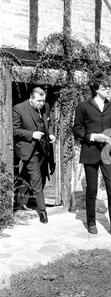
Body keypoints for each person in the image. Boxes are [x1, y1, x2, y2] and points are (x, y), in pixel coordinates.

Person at [72, 72, 111, 239]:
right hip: (90, 152)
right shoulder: (83, 107)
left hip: (107, 152)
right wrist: (93, 137)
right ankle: (92, 222)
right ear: (96, 89)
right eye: (105, 87)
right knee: (92, 190)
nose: (108, 89)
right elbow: (77, 129)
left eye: (109, 86)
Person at [13, 87, 56, 223]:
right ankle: (42, 211)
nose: (41, 104)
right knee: (36, 179)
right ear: (31, 98)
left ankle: (20, 201)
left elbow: (47, 123)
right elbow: (14, 130)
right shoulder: (18, 108)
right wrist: (32, 134)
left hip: (43, 148)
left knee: (29, 174)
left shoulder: (46, 106)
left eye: (43, 100)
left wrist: (50, 134)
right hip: (28, 148)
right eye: (38, 101)